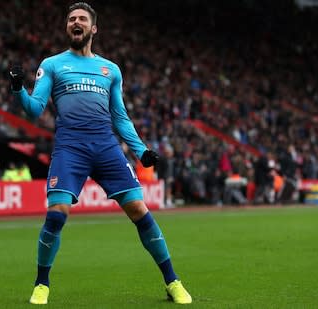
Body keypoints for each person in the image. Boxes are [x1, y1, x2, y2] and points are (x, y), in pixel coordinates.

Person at [10, 2, 192, 305]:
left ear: (93, 28)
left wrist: (141, 150)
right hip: (70, 147)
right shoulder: (53, 64)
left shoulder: (111, 70)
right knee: (57, 214)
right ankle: (42, 283)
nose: (75, 22)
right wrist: (19, 89)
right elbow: (34, 109)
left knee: (138, 209)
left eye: (81, 19)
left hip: (106, 146)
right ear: (67, 27)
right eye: (71, 19)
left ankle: (173, 281)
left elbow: (119, 116)